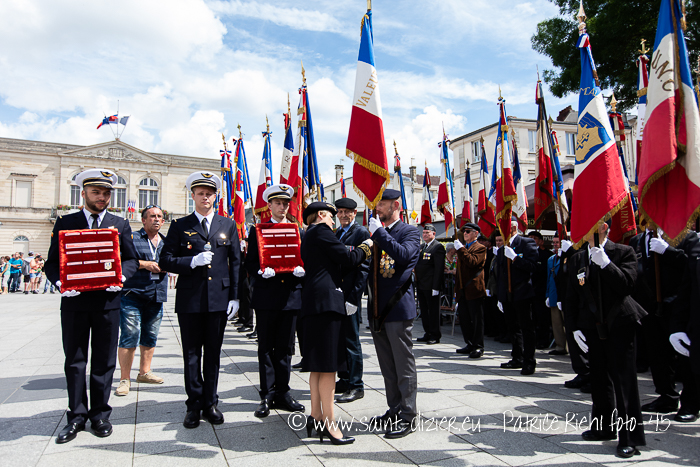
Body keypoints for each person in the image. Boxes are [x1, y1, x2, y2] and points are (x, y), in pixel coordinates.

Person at [45, 168, 139, 444]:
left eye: (106, 193)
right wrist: (61, 283)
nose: (102, 197)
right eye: (96, 192)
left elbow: (131, 260)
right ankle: (76, 415)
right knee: (75, 361)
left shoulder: (119, 223)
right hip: (75, 302)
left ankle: (99, 414)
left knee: (104, 361)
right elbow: (52, 263)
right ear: (83, 193)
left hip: (107, 302)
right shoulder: (66, 222)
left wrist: (122, 278)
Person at [159, 171, 241, 429]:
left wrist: (235, 297)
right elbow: (165, 260)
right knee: (192, 353)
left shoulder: (227, 224)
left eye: (210, 194)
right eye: (201, 193)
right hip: (191, 299)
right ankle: (194, 404)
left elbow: (236, 263)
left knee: (213, 354)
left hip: (219, 299)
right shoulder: (179, 225)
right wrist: (191, 261)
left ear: (215, 197)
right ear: (192, 196)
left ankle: (211, 403)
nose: (205, 197)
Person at [566, 221, 647, 458]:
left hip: (620, 323)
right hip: (591, 326)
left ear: (602, 227)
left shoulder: (623, 252)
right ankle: (603, 427)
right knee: (599, 379)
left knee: (623, 382)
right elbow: (571, 297)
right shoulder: (577, 258)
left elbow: (627, 285)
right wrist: (574, 328)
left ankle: (629, 437)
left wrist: (606, 264)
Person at [300, 201, 373, 445]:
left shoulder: (310, 234)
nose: (334, 220)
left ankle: (316, 415)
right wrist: (367, 246)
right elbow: (348, 257)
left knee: (318, 367)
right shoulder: (321, 231)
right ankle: (330, 425)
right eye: (331, 216)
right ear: (321, 215)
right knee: (329, 367)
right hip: (326, 303)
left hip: (314, 302)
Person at [245, 184, 305, 418]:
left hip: (290, 296)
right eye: (278, 203)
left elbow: (305, 259)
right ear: (269, 206)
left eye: (286, 203)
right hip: (267, 297)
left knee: (285, 348)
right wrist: (261, 271)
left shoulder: (297, 230)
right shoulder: (258, 230)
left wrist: (301, 270)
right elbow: (250, 262)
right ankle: (267, 394)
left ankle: (283, 392)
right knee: (266, 347)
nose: (282, 207)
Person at [367, 189, 421, 439]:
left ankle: (409, 415)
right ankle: (395, 409)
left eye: (382, 204)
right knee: (387, 366)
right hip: (377, 309)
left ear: (396, 206)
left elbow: (403, 256)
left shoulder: (409, 231)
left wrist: (379, 233)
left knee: (403, 364)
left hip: (397, 308)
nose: (377, 208)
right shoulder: (377, 232)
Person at [629, 229, 697, 415]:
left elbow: (692, 267)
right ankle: (666, 396)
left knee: (684, 357)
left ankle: (691, 403)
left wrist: (668, 252)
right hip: (649, 307)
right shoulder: (637, 240)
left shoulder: (686, 236)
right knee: (657, 355)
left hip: (677, 307)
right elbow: (635, 273)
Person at [115, 205, 168, 397]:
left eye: (159, 217)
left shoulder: (166, 242)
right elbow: (121, 260)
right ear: (143, 220)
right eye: (152, 216)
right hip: (132, 294)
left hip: (156, 294)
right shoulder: (132, 238)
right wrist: (144, 264)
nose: (156, 219)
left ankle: (144, 372)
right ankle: (124, 378)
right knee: (130, 334)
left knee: (150, 334)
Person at [333, 197, 370, 404]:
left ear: (355, 213)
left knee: (352, 342)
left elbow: (363, 269)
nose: (343, 215)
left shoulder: (361, 233)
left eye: (348, 212)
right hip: (338, 294)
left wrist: (355, 299)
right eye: (340, 212)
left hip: (350, 296)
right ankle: (345, 378)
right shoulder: (337, 233)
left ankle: (357, 385)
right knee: (340, 340)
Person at [495, 220, 539, 375]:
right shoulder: (502, 249)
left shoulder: (526, 243)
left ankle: (529, 361)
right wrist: (500, 296)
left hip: (522, 292)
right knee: (513, 328)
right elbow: (500, 275)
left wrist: (515, 258)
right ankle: (517, 357)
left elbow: (533, 267)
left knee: (526, 328)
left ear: (513, 228)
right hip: (507, 295)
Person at [453, 223, 487, 358]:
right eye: (464, 232)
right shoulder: (464, 247)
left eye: (468, 231)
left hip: (474, 289)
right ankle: (470, 343)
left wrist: (461, 249)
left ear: (476, 233)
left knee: (476, 320)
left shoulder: (480, 248)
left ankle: (478, 346)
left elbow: (472, 262)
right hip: (462, 290)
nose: (465, 234)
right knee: (465, 319)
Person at [414, 224, 446, 345]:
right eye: (424, 233)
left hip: (431, 285)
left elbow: (438, 269)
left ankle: (435, 334)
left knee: (433, 311)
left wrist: (436, 287)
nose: (425, 235)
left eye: (427, 233)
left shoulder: (437, 247)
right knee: (424, 310)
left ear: (434, 234)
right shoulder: (422, 247)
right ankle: (427, 332)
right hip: (421, 284)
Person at [527, 231, 554, 349]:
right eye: (530, 238)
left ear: (541, 241)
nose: (532, 240)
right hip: (529, 290)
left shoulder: (546, 254)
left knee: (542, 317)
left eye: (535, 238)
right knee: (531, 318)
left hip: (540, 290)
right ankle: (533, 340)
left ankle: (543, 340)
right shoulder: (526, 252)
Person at [545, 235, 567, 355]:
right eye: (554, 242)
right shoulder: (551, 259)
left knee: (567, 322)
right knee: (556, 323)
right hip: (553, 294)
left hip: (564, 295)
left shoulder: (569, 257)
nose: (555, 245)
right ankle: (560, 346)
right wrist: (548, 295)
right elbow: (549, 278)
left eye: (557, 242)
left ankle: (571, 347)